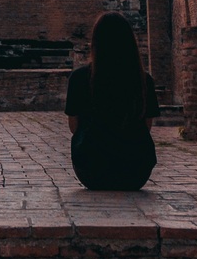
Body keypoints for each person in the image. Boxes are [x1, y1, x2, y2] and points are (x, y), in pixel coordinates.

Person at [64, 12, 161, 191]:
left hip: (92, 171)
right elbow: (147, 125)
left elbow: (74, 127)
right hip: (135, 172)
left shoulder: (79, 78)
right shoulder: (143, 80)